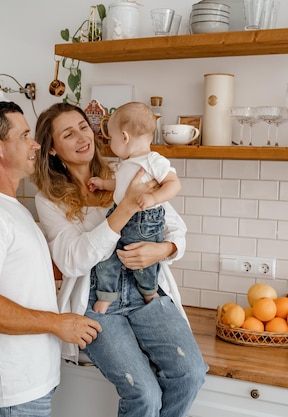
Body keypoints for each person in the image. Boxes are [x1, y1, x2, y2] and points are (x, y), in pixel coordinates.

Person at [31, 102, 207, 417]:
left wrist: (163, 250)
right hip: (97, 303)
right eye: (68, 134)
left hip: (146, 292)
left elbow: (175, 228)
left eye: (84, 127)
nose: (82, 138)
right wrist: (125, 206)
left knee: (191, 373)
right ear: (53, 149)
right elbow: (73, 261)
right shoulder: (48, 199)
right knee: (144, 395)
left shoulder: (126, 170)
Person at [0, 101, 102, 417]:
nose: (35, 145)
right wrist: (58, 323)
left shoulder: (10, 206)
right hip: (10, 390)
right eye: (24, 136)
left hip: (30, 382)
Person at [87, 102, 181, 314]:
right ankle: (106, 295)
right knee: (107, 257)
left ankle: (149, 291)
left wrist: (153, 198)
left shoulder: (153, 160)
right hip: (120, 216)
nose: (110, 144)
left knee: (142, 261)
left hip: (144, 220)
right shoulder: (126, 163)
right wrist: (103, 184)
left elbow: (174, 184)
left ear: (124, 137)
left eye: (110, 139)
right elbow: (122, 187)